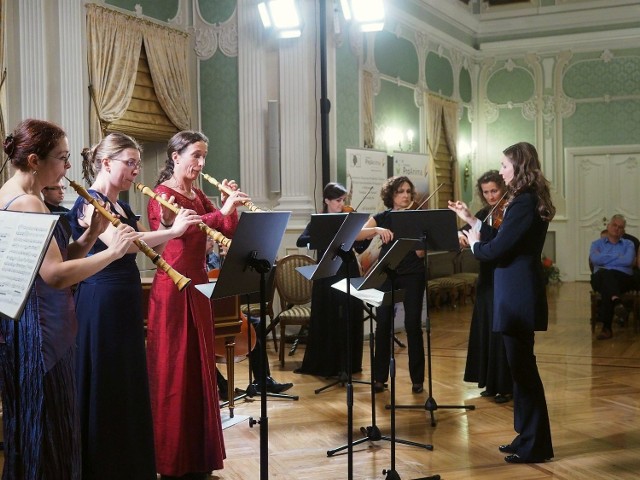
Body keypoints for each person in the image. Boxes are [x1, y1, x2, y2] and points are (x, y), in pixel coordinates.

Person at [0, 119, 138, 478]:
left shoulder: (8, 193)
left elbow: (61, 258)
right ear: (34, 160)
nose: (68, 167)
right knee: (49, 425)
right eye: (61, 158)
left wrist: (93, 234)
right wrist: (113, 252)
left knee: (33, 425)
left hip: (27, 323)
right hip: (43, 328)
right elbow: (55, 276)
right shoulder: (28, 203)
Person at [68, 132, 201, 479]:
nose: (135, 172)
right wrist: (174, 232)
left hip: (124, 301)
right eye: (129, 163)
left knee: (126, 383)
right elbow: (124, 245)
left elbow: (146, 245)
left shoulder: (124, 206)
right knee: (105, 383)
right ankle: (101, 467)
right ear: (106, 162)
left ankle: (129, 465)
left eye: (137, 164)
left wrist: (177, 234)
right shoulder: (88, 202)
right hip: (100, 302)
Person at [146, 131, 247, 480]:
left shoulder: (198, 193)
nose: (201, 164)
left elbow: (225, 229)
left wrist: (228, 205)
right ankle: (173, 460)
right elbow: (185, 230)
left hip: (199, 285)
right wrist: (220, 211)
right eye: (196, 156)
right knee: (176, 370)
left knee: (199, 368)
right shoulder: (160, 195)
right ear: (175, 156)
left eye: (205, 156)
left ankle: (198, 455)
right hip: (173, 288)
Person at [448, 141, 555, 464]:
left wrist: (474, 247)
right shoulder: (524, 200)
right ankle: (526, 436)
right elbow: (500, 240)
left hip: (517, 295)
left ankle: (536, 445)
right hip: (516, 292)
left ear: (519, 167)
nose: (503, 170)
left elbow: (496, 250)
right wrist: (471, 220)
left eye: (505, 165)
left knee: (523, 372)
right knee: (520, 369)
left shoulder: (523, 202)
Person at [356, 176, 425, 394]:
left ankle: (417, 379)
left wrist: (417, 241)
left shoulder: (418, 217)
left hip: (413, 273)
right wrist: (376, 231)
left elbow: (421, 253)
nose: (405, 195)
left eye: (408, 191)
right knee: (383, 323)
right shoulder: (384, 216)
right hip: (388, 272)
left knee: (413, 324)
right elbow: (357, 234)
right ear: (391, 195)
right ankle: (379, 378)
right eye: (400, 192)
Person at [205, 237, 293, 400]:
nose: (211, 243)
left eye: (211, 239)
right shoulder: (193, 264)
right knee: (198, 342)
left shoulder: (215, 258)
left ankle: (262, 380)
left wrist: (231, 262)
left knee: (256, 325)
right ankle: (221, 383)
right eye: (207, 240)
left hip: (225, 312)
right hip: (206, 316)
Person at [295, 182, 365, 378]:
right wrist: (317, 239)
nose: (341, 205)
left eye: (343, 200)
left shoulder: (348, 219)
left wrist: (363, 237)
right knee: (329, 314)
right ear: (326, 200)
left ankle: (348, 363)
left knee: (349, 313)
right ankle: (328, 363)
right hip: (327, 271)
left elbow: (359, 248)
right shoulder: (319, 221)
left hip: (348, 268)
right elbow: (301, 240)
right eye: (337, 201)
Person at [460, 171, 512, 403]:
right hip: (487, 278)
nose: (491, 196)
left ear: (503, 188)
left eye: (494, 191)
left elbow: (501, 241)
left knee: (501, 332)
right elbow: (468, 234)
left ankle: (506, 386)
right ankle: (491, 382)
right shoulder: (484, 214)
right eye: (486, 192)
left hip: (505, 277)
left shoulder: (511, 212)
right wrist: (462, 238)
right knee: (486, 329)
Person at [589, 214, 636, 340]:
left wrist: (604, 257)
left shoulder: (629, 244)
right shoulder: (596, 244)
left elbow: (627, 261)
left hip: (622, 278)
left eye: (620, 227)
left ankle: (607, 328)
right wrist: (617, 256)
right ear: (608, 226)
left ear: (623, 231)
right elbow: (594, 259)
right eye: (614, 225)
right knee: (606, 276)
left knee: (607, 284)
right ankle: (616, 301)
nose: (617, 229)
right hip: (600, 276)